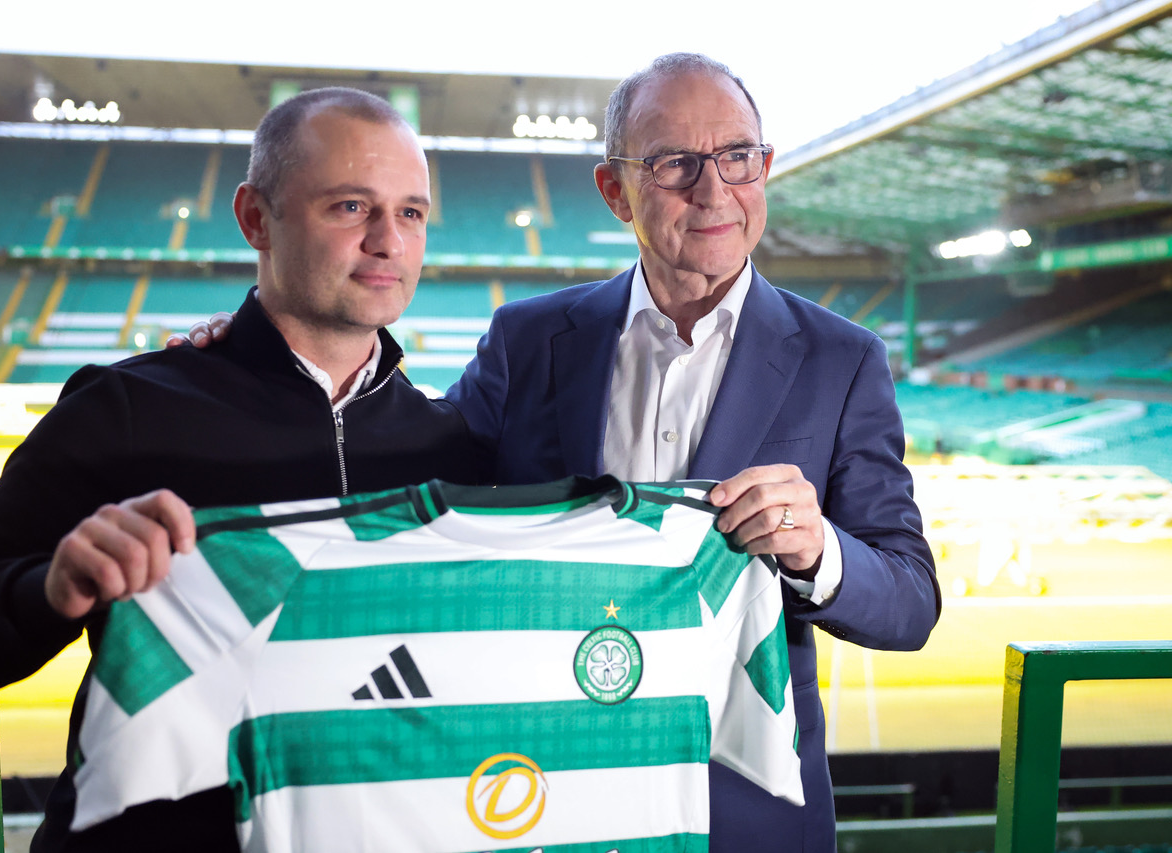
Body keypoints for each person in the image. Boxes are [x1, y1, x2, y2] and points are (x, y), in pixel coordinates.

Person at [180, 53, 941, 851]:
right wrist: (265, 354)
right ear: (615, 189)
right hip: (540, 799)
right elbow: (398, 463)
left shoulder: (841, 359)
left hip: (742, 815)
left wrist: (819, 550)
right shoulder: (531, 340)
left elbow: (910, 599)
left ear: (765, 167)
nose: (713, 190)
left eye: (737, 157)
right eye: (674, 163)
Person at [0, 87, 490, 852]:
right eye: (350, 207)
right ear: (254, 218)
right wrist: (53, 588)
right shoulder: (129, 408)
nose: (390, 242)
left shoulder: (454, 447)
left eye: (411, 212)